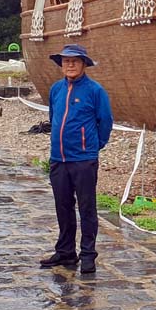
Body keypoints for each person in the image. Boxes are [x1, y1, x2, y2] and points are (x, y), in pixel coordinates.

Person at [39, 44, 113, 273]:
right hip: (58, 158)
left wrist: (92, 146)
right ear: (61, 64)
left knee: (87, 207)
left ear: (83, 64)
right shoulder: (56, 89)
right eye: (65, 61)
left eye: (75, 61)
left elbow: (106, 122)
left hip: (83, 160)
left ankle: (88, 253)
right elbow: (54, 117)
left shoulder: (95, 91)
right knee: (63, 206)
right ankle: (65, 252)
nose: (70, 64)